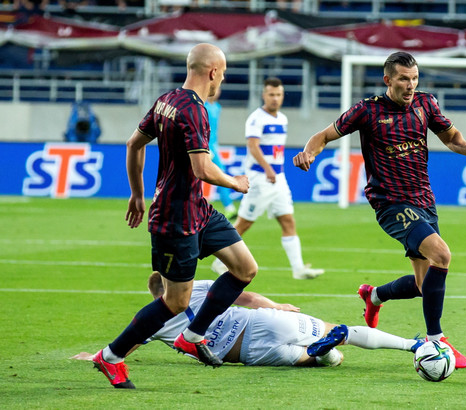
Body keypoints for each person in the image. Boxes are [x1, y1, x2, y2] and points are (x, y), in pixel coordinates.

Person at [293, 51, 466, 369]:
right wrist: (308, 152)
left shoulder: (427, 104)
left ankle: (374, 296)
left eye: (414, 79)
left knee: (425, 285)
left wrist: (465, 148)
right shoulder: (367, 111)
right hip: (391, 203)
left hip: (425, 199)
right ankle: (437, 342)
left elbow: (450, 136)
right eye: (403, 79)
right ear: (388, 80)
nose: (410, 85)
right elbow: (322, 136)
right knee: (442, 254)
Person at [92, 43, 258, 389]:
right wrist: (235, 182)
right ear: (212, 71)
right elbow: (201, 168)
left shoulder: (167, 100)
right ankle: (111, 356)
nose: (222, 80)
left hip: (198, 208)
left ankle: (193, 335)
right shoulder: (195, 111)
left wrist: (138, 194)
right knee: (175, 301)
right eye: (223, 74)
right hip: (175, 218)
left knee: (245, 268)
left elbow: (133, 144)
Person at [75, 272, 423, 367]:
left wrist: (95, 356)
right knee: (339, 337)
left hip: (245, 353)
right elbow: (247, 297)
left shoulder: (154, 320)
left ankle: (319, 355)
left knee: (310, 359)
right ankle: (412, 344)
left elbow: (129, 343)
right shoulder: (197, 288)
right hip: (260, 321)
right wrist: (277, 305)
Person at [211, 77, 324, 280]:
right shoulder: (256, 118)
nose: (275, 98)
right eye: (271, 94)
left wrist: (274, 171)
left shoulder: (282, 118)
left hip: (278, 179)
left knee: (288, 220)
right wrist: (267, 168)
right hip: (260, 179)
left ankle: (298, 269)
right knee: (244, 223)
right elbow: (253, 146)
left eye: (278, 94)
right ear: (264, 95)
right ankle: (219, 261)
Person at [204, 88, 238, 220]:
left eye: (218, 90)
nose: (217, 92)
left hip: (214, 146)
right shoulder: (203, 106)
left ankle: (229, 208)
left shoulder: (217, 107)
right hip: (206, 147)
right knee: (219, 174)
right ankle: (229, 208)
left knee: (218, 175)